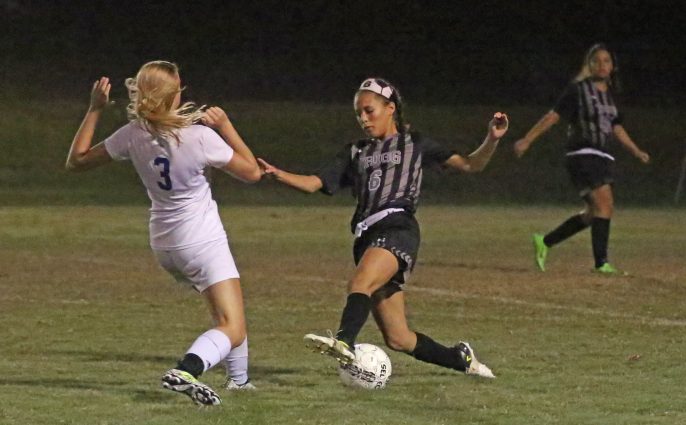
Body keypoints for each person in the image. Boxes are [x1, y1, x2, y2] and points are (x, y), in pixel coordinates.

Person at [257, 78, 508, 378]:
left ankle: (344, 342)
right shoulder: (355, 152)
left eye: (369, 111)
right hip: (365, 237)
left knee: (359, 283)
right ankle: (461, 359)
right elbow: (315, 183)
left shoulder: (416, 143)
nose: (363, 119)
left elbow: (471, 165)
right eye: (359, 114)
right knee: (398, 338)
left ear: (390, 108)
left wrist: (492, 139)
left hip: (397, 226)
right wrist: (278, 174)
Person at [65, 61, 262, 405]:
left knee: (226, 314)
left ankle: (240, 382)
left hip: (164, 243)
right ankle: (187, 369)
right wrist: (227, 126)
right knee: (233, 326)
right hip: (200, 239)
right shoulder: (201, 137)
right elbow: (253, 173)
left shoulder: (132, 134)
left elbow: (77, 160)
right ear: (173, 94)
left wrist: (95, 109)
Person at [513, 44, 650, 274]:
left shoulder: (611, 94)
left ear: (613, 66)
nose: (602, 65)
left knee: (592, 213)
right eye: (596, 61)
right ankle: (601, 263)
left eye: (606, 61)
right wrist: (527, 139)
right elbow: (553, 117)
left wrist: (636, 151)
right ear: (589, 65)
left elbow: (616, 127)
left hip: (603, 156)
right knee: (606, 205)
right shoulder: (577, 90)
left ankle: (545, 242)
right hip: (583, 154)